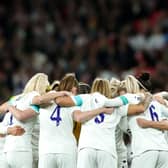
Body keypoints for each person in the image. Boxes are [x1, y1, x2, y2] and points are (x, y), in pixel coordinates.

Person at [0, 73, 49, 168]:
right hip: (26, 150)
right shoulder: (36, 103)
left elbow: (2, 109)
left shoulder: (15, 99)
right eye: (47, 89)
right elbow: (21, 116)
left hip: (7, 149)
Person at [123, 73, 168, 168]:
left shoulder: (132, 101)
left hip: (144, 151)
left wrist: (147, 123)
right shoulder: (156, 103)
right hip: (163, 151)